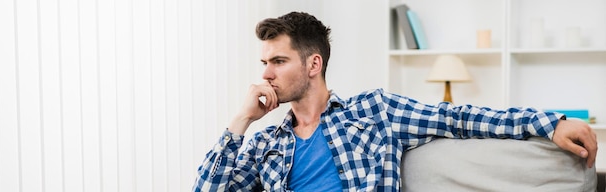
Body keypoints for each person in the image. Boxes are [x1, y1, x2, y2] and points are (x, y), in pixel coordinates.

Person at [192, 11, 597, 191]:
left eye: (278, 61)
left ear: (313, 64)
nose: (265, 74)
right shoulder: (267, 142)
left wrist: (548, 122)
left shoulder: (374, 112)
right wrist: (240, 122)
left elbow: (456, 116)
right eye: (264, 62)